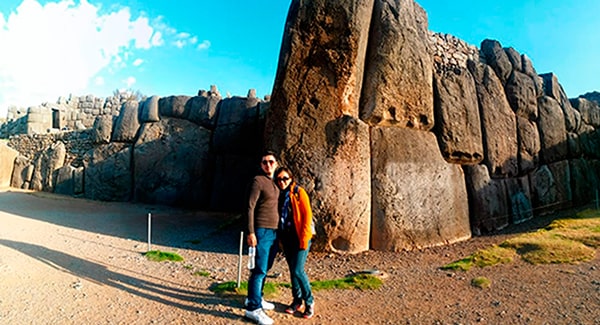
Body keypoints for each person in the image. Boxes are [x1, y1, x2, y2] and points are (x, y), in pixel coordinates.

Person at [274, 166, 316, 319]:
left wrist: (305, 239)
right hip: (287, 238)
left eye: (285, 178)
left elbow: (307, 216)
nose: (282, 181)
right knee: (292, 271)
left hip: (300, 237)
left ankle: (309, 301)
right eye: (279, 179)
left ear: (291, 179)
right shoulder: (278, 194)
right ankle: (297, 300)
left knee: (298, 270)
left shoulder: (299, 192)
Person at [244, 151, 280, 325]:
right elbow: (249, 207)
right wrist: (251, 232)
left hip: (274, 232)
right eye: (265, 162)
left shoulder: (277, 182)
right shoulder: (258, 181)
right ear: (261, 165)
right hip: (261, 230)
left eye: (271, 162)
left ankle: (256, 297)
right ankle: (253, 309)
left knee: (265, 267)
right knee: (259, 270)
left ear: (276, 163)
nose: (268, 165)